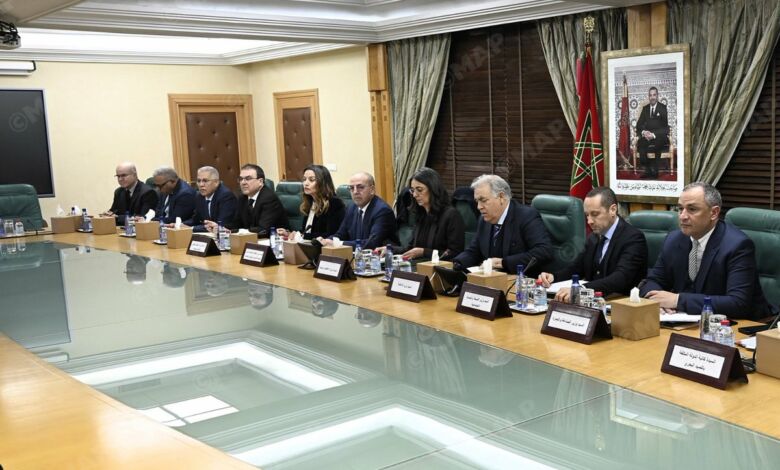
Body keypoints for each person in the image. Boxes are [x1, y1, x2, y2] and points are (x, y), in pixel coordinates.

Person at [640, 182, 770, 319]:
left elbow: (738, 303)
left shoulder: (737, 245)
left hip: (740, 324)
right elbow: (652, 281)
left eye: (692, 209)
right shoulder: (674, 240)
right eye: (680, 208)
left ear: (714, 213)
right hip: (684, 320)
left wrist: (678, 300)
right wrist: (658, 301)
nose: (683, 216)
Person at [538, 187, 647, 301]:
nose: (589, 221)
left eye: (595, 214)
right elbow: (577, 268)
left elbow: (620, 278)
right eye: (587, 215)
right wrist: (553, 277)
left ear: (613, 210)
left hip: (622, 303)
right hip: (593, 303)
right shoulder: (594, 237)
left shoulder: (633, 238)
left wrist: (581, 289)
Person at [452, 174, 552, 277]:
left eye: (483, 200)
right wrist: (457, 263)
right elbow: (474, 251)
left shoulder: (526, 216)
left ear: (501, 197)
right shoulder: (484, 219)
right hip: (491, 280)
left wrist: (503, 263)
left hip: (521, 281)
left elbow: (543, 251)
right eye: (477, 201)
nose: (479, 207)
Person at [391, 167, 465, 261]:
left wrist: (424, 252)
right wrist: (391, 249)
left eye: (419, 190)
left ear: (433, 189)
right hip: (419, 265)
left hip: (440, 268)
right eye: (412, 190)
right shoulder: (421, 214)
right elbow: (412, 249)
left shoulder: (451, 215)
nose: (414, 195)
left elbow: (455, 253)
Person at [321, 172, 396, 249]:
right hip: (356, 253)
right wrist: (326, 241)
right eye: (351, 188)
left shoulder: (382, 211)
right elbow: (341, 234)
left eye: (360, 187)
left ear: (372, 190)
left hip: (378, 255)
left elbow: (372, 243)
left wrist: (338, 243)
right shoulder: (351, 207)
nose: (355, 192)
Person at [279, 164, 345, 240]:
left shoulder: (335, 203)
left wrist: (302, 236)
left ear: (322, 183)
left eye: (311, 180)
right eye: (304, 179)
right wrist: (290, 233)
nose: (306, 183)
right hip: (309, 245)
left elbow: (331, 235)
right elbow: (307, 231)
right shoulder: (310, 201)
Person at [228, 164, 288, 237]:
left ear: (260, 181)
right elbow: (236, 223)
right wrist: (223, 229)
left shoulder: (269, 198)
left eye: (248, 178)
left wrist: (238, 231)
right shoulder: (242, 198)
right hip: (250, 239)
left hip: (272, 240)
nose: (243, 182)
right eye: (241, 179)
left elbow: (263, 230)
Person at [102, 162, 158, 226]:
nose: (120, 179)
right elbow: (114, 211)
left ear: (134, 175)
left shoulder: (148, 192)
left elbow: (143, 218)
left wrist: (117, 217)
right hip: (122, 229)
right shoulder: (118, 192)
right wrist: (108, 215)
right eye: (118, 176)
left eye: (123, 175)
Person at [185, 166, 238, 233]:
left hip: (227, 235)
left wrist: (191, 228)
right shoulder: (199, 196)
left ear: (216, 182)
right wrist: (181, 225)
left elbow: (221, 224)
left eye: (205, 181)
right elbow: (196, 219)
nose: (201, 185)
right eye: (198, 181)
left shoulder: (226, 196)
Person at [635, 86, 669, 179]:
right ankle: (648, 170)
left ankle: (655, 171)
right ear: (648, 96)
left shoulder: (662, 108)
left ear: (657, 96)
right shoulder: (645, 108)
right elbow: (639, 125)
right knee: (641, 145)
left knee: (657, 145)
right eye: (650, 95)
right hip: (647, 136)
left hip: (658, 136)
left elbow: (665, 128)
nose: (652, 97)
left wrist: (653, 135)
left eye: (654, 95)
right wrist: (644, 132)